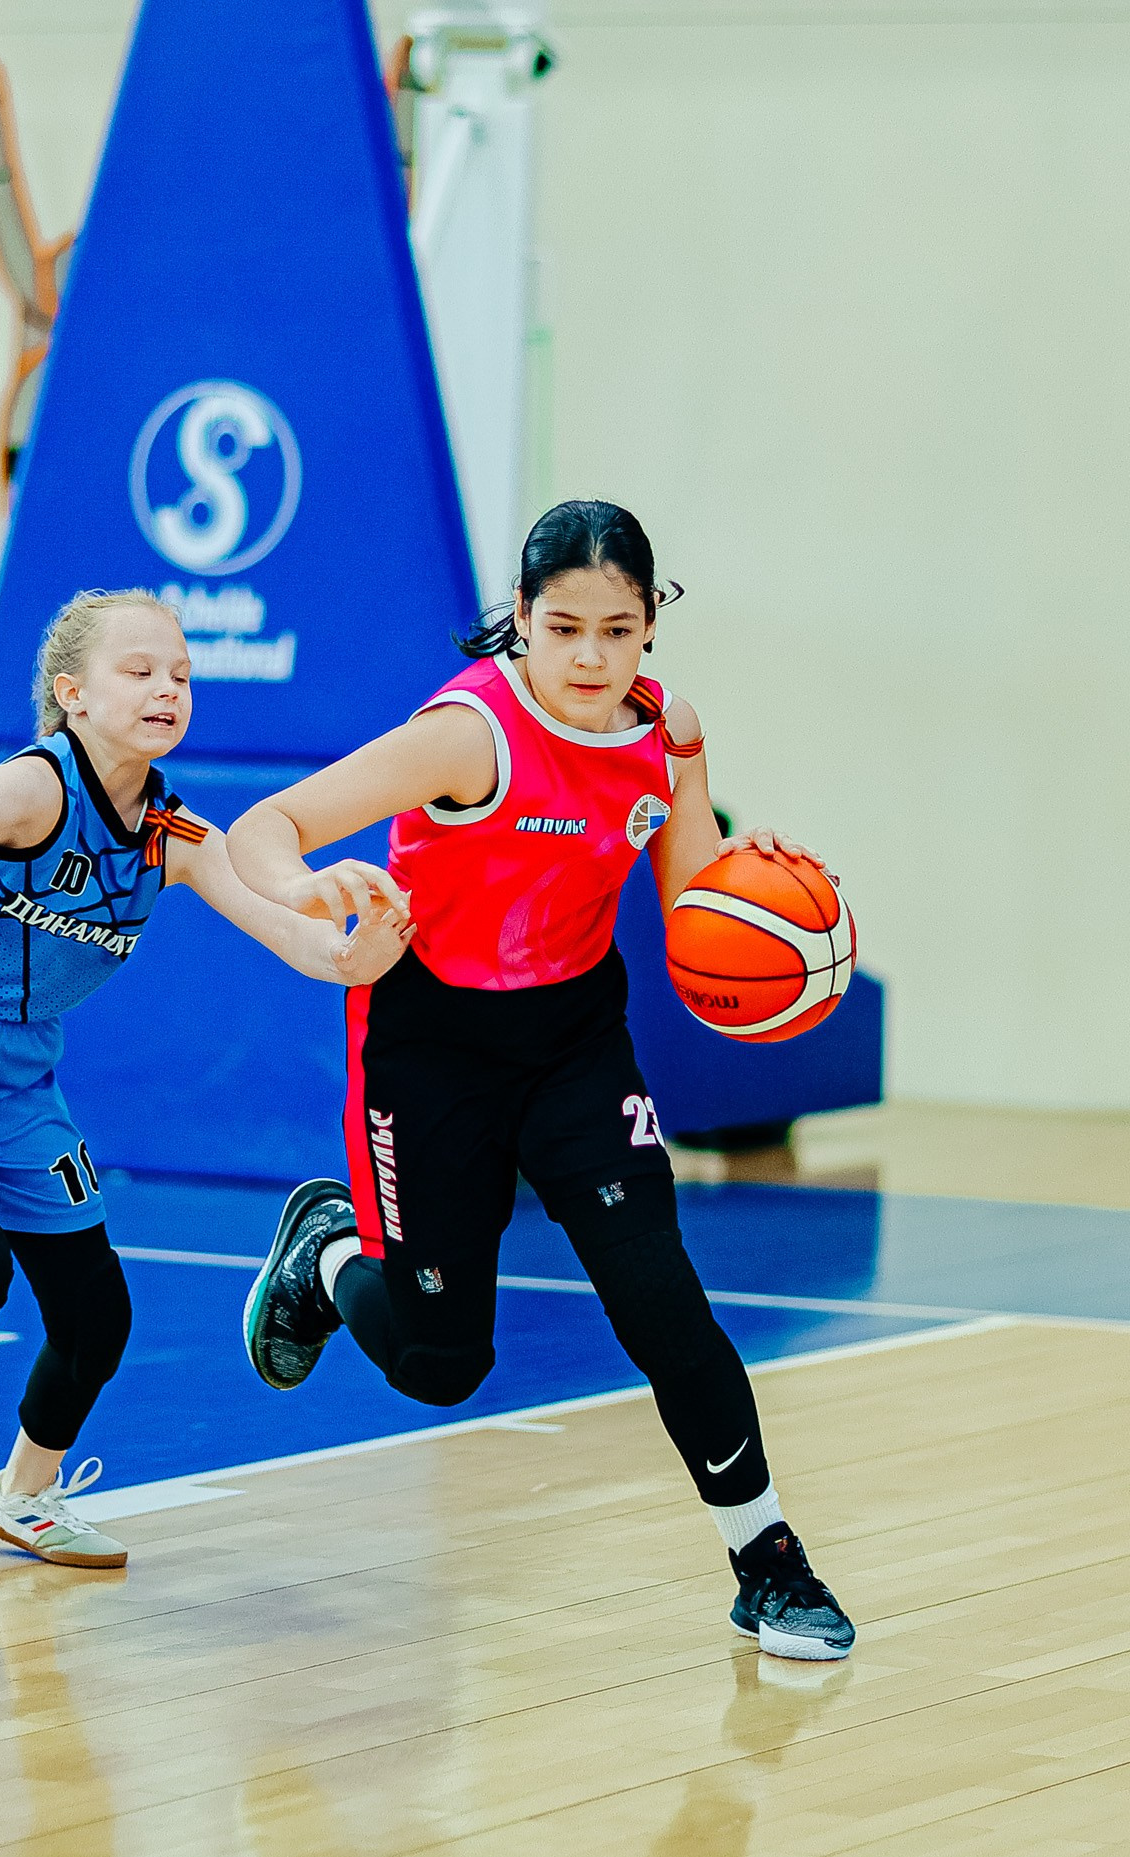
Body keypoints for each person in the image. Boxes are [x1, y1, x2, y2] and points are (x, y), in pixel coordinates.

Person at [224, 499, 857, 1661]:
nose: (589, 657)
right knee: (436, 1363)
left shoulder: (667, 733)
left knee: (660, 1297)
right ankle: (326, 1254)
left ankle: (765, 1559)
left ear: (649, 627)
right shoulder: (471, 734)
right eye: (562, 628)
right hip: (432, 1047)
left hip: (573, 1041)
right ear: (521, 619)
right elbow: (263, 827)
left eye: (616, 631)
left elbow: (690, 902)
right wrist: (319, 897)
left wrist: (764, 904)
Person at [0, 590, 409, 1569]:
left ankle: (23, 1498)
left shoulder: (174, 832)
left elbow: (296, 939)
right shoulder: (36, 790)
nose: (166, 687)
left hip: (16, 1082)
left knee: (97, 1316)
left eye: (180, 673)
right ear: (72, 694)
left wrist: (359, 950)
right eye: (140, 670)